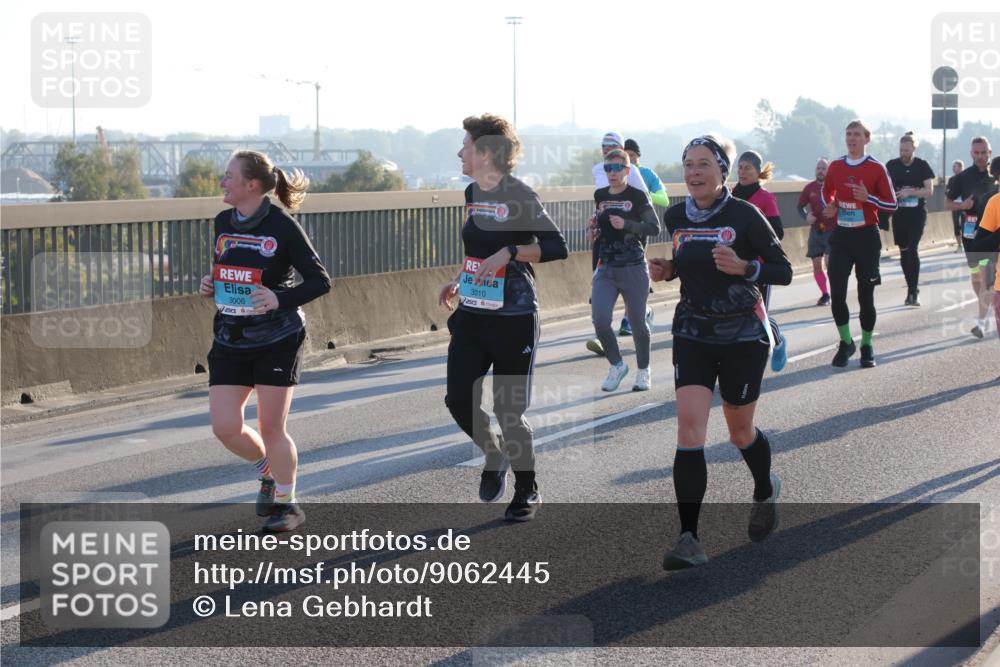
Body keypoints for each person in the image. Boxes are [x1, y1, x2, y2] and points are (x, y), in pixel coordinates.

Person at [647, 134, 792, 570]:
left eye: (703, 164)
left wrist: (746, 267)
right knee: (689, 433)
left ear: (721, 171)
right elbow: (688, 263)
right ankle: (688, 538)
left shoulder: (745, 215)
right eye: (688, 164)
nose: (693, 172)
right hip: (692, 330)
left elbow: (783, 269)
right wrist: (670, 270)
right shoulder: (676, 216)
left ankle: (765, 488)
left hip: (742, 335)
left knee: (739, 433)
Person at [440, 114, 568, 522]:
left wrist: (510, 252)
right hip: (474, 314)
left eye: (465, 145)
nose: (460, 152)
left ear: (485, 152)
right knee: (459, 399)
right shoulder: (471, 192)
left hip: (514, 317)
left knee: (509, 410)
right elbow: (478, 247)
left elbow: (556, 246)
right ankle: (493, 453)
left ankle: (527, 488)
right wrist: (460, 279)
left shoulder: (519, 195)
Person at [198, 150, 331, 532]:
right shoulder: (223, 221)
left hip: (278, 337)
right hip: (230, 335)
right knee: (225, 426)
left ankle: (288, 505)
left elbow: (320, 281)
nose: (222, 182)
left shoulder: (282, 225)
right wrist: (211, 284)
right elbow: (228, 268)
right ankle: (269, 470)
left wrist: (278, 298)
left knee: (271, 428)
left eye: (228, 176)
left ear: (251, 185)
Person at [822, 120, 898, 368]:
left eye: (856, 134)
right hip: (842, 236)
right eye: (848, 134)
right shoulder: (835, 166)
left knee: (866, 296)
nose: (851, 138)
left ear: (867, 139)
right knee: (837, 294)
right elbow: (826, 192)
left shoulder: (876, 168)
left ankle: (866, 344)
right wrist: (831, 204)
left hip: (867, 236)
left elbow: (892, 204)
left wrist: (869, 198)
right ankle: (846, 342)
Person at [589, 149, 660, 392]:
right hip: (606, 267)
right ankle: (617, 365)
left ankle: (643, 370)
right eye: (608, 168)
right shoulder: (599, 195)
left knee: (638, 323)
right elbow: (601, 224)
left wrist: (628, 224)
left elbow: (654, 227)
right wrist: (595, 230)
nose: (612, 173)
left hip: (633, 267)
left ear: (627, 171)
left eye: (617, 168)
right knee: (599, 320)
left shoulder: (638, 196)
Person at [586, 133, 650, 353]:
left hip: (630, 239)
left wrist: (629, 222)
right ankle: (602, 335)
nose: (606, 148)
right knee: (599, 282)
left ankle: (637, 317)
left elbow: (645, 198)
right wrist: (594, 222)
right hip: (605, 241)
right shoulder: (597, 169)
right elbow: (601, 204)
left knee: (633, 302)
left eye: (611, 145)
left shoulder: (631, 170)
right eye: (603, 145)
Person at [733, 150, 788, 372]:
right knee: (734, 316)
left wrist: (753, 238)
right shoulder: (730, 196)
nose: (743, 172)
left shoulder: (765, 197)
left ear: (757, 172)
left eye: (748, 168)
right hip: (734, 265)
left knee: (759, 316)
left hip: (759, 268)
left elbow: (778, 232)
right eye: (740, 167)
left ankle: (779, 341)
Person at [946, 137, 998, 339]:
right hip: (971, 234)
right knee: (977, 276)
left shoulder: (996, 176)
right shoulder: (962, 178)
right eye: (976, 153)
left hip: (991, 235)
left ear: (990, 153)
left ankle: (981, 323)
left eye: (983, 153)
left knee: (986, 277)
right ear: (971, 154)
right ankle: (989, 304)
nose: (980, 157)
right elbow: (947, 203)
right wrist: (962, 206)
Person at [885, 132, 935, 306]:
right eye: (901, 150)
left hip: (917, 214)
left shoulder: (922, 166)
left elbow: (929, 190)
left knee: (913, 248)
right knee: (904, 252)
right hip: (899, 215)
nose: (903, 153)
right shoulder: (891, 165)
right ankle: (911, 288)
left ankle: (914, 291)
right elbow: (883, 186)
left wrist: (911, 192)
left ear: (914, 149)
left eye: (906, 150)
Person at [971, 156, 1000, 340]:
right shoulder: (993, 202)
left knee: (984, 286)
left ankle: (981, 323)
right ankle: (981, 322)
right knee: (984, 285)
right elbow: (980, 244)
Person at [797, 158, 832, 306]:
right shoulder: (809, 188)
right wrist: (806, 216)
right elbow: (800, 206)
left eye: (823, 168)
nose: (820, 171)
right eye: (818, 168)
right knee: (817, 263)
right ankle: (825, 294)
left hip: (833, 230)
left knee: (831, 263)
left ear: (828, 170)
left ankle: (837, 290)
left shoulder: (834, 186)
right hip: (817, 231)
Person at [948, 160, 966, 252]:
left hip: (965, 206)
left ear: (960, 167)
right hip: (955, 205)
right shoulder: (951, 180)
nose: (953, 168)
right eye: (953, 166)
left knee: (965, 225)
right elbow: (948, 192)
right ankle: (960, 246)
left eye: (955, 166)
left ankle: (968, 243)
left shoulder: (967, 178)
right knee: (956, 225)